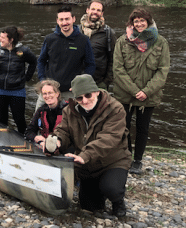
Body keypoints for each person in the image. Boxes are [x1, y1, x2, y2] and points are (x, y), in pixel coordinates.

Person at [50, 74, 130, 217]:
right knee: (89, 206)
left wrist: (85, 155)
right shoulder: (69, 110)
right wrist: (57, 141)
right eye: (79, 98)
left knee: (111, 188)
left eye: (88, 95)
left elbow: (109, 139)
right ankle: (97, 191)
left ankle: (118, 201)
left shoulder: (115, 109)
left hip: (112, 160)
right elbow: (63, 130)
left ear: (97, 92)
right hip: (86, 163)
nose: (85, 101)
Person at [113, 8, 170, 175]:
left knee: (143, 128)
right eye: (135, 21)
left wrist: (146, 91)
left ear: (149, 21)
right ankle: (125, 156)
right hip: (125, 94)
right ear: (131, 23)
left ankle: (138, 160)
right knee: (123, 127)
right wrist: (134, 90)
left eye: (142, 21)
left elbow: (163, 70)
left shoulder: (161, 42)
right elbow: (118, 69)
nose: (139, 24)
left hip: (148, 96)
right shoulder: (122, 41)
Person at [36, 5, 95, 110]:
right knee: (38, 120)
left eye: (67, 19)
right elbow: (41, 61)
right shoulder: (49, 39)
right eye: (61, 19)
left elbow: (90, 64)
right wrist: (42, 79)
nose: (64, 23)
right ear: (57, 21)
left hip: (71, 92)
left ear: (73, 19)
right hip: (49, 90)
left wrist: (82, 84)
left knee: (72, 123)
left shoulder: (83, 40)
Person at [0, 26, 37, 134]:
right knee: (2, 120)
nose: (0, 39)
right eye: (0, 36)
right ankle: (4, 142)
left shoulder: (23, 51)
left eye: (3, 37)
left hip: (17, 90)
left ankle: (26, 140)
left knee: (19, 119)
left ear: (11, 40)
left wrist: (27, 77)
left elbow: (33, 62)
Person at [79, 0, 116, 90]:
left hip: (98, 83)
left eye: (98, 10)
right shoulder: (77, 31)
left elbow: (114, 59)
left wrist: (106, 82)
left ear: (102, 13)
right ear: (87, 10)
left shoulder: (108, 33)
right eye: (93, 9)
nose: (95, 12)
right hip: (78, 81)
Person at [25, 79, 68, 147]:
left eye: (50, 93)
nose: (47, 96)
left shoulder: (67, 110)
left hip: (63, 145)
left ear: (57, 94)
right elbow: (29, 131)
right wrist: (36, 138)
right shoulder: (41, 111)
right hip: (45, 144)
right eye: (45, 94)